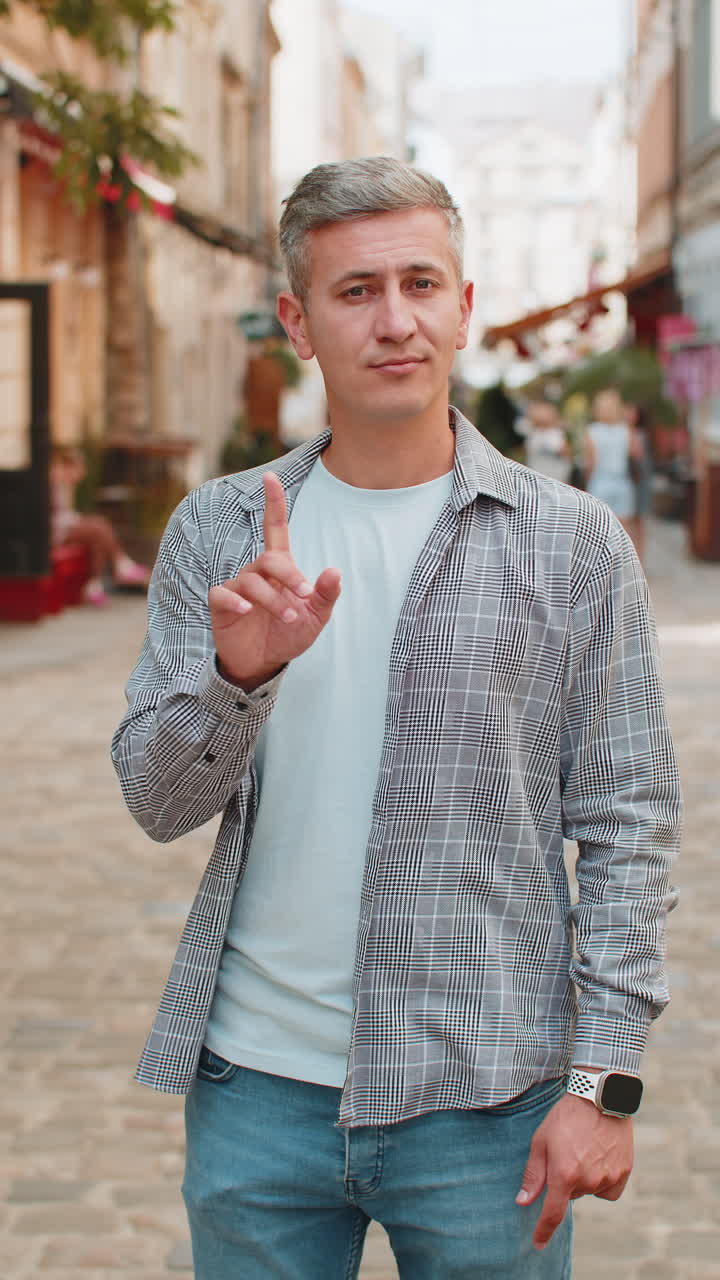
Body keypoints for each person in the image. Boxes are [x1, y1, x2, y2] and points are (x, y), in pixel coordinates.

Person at [112, 158, 681, 1280]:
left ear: (462, 307)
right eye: (356, 290)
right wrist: (235, 677)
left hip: (490, 1101)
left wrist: (603, 1084)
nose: (395, 320)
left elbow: (629, 823)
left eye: (420, 284)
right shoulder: (221, 532)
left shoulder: (572, 544)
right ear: (299, 322)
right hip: (257, 1093)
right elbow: (156, 801)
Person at [50, 446, 149, 605]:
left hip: (64, 529)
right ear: (68, 466)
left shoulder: (64, 484)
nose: (83, 474)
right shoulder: (55, 484)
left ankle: (95, 584)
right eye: (80, 468)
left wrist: (79, 521)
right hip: (56, 533)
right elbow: (57, 518)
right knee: (100, 526)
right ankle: (121, 566)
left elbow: (65, 515)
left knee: (98, 539)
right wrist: (79, 522)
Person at [583, 389, 642, 538]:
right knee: (623, 531)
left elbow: (590, 463)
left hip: (599, 482)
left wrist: (587, 482)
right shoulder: (625, 430)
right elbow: (637, 453)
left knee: (598, 529)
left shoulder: (592, 431)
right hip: (622, 482)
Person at [623, 401, 654, 564]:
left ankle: (639, 559)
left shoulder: (640, 435)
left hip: (639, 482)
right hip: (625, 481)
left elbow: (640, 458)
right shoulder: (621, 432)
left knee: (639, 521)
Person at [523, 399, 572, 483]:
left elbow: (566, 455)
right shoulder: (532, 432)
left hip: (554, 479)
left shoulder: (556, 434)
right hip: (534, 478)